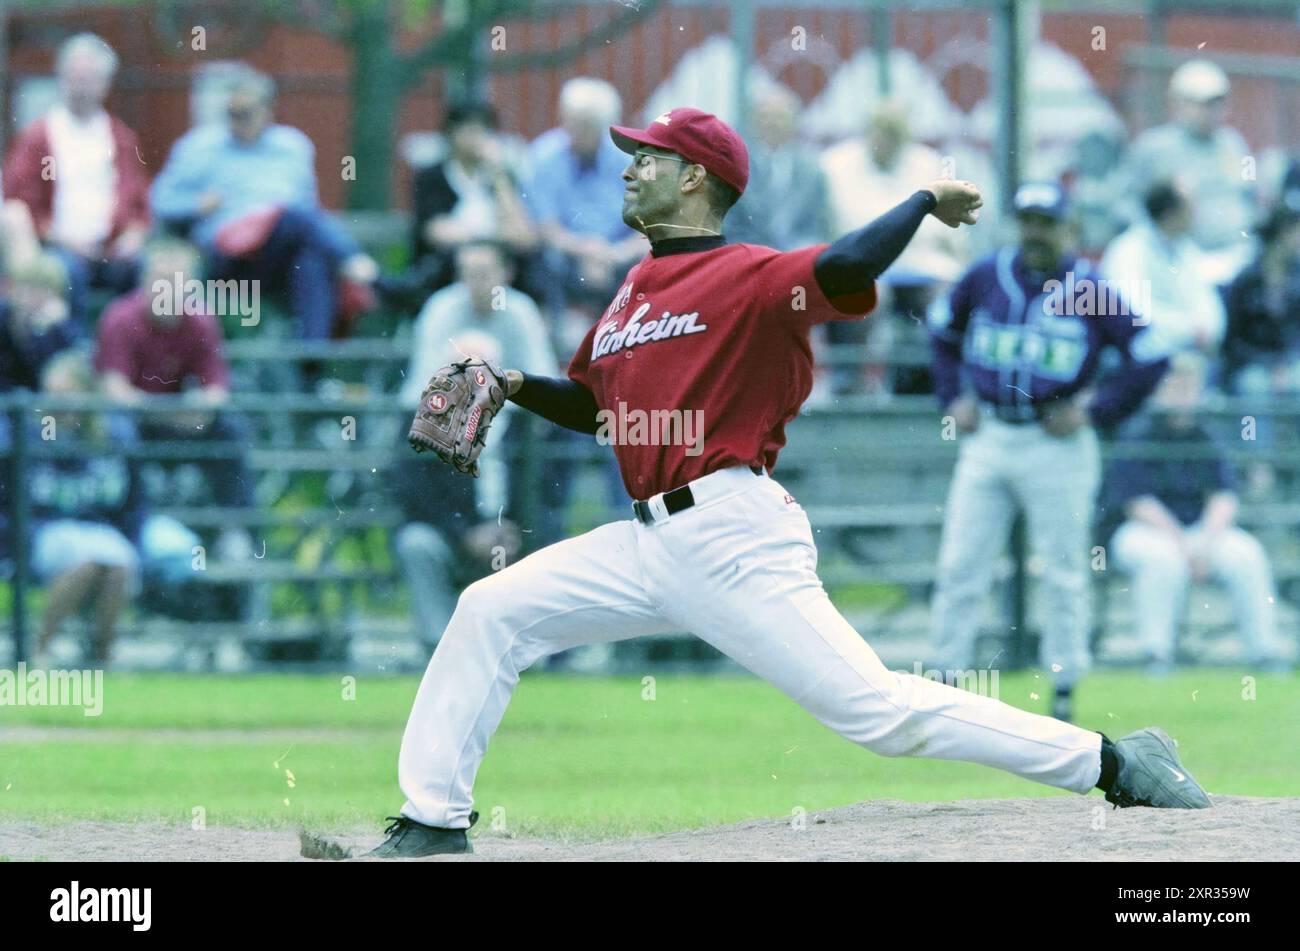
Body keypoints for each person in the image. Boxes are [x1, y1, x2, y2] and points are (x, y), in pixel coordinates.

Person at [367, 111, 1208, 860]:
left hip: (732, 535)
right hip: (645, 540)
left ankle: (1112, 759)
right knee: (491, 610)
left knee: (879, 713)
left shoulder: (754, 274)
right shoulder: (633, 290)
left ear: (695, 176)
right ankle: (434, 819)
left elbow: (844, 265)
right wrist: (514, 382)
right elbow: (595, 406)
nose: (628, 168)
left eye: (646, 157)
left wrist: (917, 202)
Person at [927, 182, 1170, 724]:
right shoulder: (987, 275)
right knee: (962, 561)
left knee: (1061, 570)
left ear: (1068, 228)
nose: (1036, 232)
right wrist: (953, 397)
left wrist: (1097, 410)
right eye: (1028, 221)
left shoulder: (1088, 287)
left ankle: (1064, 686)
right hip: (990, 435)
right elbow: (942, 335)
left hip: (1056, 441)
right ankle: (944, 681)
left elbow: (1150, 355)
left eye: (1047, 222)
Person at [395, 239, 556, 649]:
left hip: (513, 531)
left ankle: (543, 650)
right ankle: (437, 648)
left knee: (554, 536)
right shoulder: (432, 426)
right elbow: (418, 488)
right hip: (456, 533)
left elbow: (544, 467)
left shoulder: (523, 428)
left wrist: (515, 527)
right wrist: (465, 533)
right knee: (416, 543)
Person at [149, 66, 377, 342]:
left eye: (245, 114)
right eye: (231, 113)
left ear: (267, 112)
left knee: (310, 260)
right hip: (229, 258)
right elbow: (160, 201)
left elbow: (310, 207)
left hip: (279, 255)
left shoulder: (292, 147)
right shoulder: (200, 148)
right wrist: (197, 204)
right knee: (294, 217)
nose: (237, 121)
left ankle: (310, 363)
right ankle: (358, 263)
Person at [1103, 352, 1292, 673]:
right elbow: (1136, 502)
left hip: (1201, 531)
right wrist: (1183, 543)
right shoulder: (1137, 430)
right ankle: (1157, 655)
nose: (1181, 392)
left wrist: (1204, 541)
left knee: (1246, 554)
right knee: (1162, 560)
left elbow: (1224, 495)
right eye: (1173, 384)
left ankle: (1264, 652)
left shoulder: (1207, 432)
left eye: (1188, 385)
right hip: (1145, 530)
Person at [94, 238, 255, 536]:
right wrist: (178, 412)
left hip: (175, 419)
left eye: (176, 281)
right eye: (160, 280)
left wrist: (193, 411)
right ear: (144, 281)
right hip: (138, 422)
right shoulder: (120, 318)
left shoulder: (202, 322)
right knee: (119, 431)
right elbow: (114, 393)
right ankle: (131, 527)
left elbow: (217, 394)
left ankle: (236, 532)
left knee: (231, 428)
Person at [821, 101, 967, 395]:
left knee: (944, 301)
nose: (886, 138)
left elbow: (948, 231)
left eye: (894, 132)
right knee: (873, 299)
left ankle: (933, 383)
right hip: (861, 261)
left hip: (922, 264)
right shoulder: (834, 164)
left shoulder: (931, 163)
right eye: (880, 130)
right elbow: (845, 223)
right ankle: (855, 387)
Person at [1, 33, 150, 312]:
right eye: (75, 77)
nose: (82, 86)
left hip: (112, 249)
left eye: (90, 78)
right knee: (69, 274)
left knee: (142, 271)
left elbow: (139, 203)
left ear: (105, 85)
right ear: (61, 79)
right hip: (60, 247)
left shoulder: (121, 138)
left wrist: (133, 235)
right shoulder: (38, 137)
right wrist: (63, 239)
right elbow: (20, 201)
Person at [15, 352, 144, 666]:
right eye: (52, 395)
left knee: (119, 566)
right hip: (47, 530)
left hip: (101, 529)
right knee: (86, 562)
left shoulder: (113, 436)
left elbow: (135, 501)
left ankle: (102, 658)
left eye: (67, 395)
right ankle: (39, 651)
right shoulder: (31, 433)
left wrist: (132, 538)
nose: (58, 404)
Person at [524, 78, 646, 323]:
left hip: (620, 256)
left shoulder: (628, 159)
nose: (575, 133)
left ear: (606, 126)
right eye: (571, 123)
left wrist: (615, 254)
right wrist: (586, 250)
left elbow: (649, 228)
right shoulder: (544, 156)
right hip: (566, 254)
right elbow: (546, 228)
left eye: (586, 126)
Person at [1123, 60, 1254, 275]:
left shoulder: (1233, 143)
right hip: (1181, 264)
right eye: (1203, 104)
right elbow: (1129, 204)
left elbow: (1248, 197)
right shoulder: (1154, 148)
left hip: (1237, 258)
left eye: (1217, 103)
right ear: (1178, 103)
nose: (1212, 112)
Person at [408, 101, 535, 299]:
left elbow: (522, 235)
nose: (474, 138)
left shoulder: (501, 176)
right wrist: (488, 239)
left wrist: (498, 174)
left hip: (497, 261)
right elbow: (437, 231)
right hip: (452, 262)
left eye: (481, 131)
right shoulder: (432, 176)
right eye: (468, 130)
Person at [1100, 180, 1226, 357]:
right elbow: (1133, 312)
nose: (1197, 214)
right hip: (1138, 354)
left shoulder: (1185, 250)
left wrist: (1206, 331)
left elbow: (1207, 307)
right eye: (1190, 207)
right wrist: (1189, 330)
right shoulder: (1128, 249)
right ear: (1169, 214)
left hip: (1184, 352)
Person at [1221, 188, 1300, 396]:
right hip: (1253, 364)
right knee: (1254, 386)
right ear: (1281, 234)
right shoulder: (1246, 280)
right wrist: (1270, 364)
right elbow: (1233, 339)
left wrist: (1286, 363)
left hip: (1292, 362)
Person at [0, 252, 82, 392]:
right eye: (25, 286)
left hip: (44, 406)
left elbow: (59, 372)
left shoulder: (61, 328)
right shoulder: (3, 316)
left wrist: (42, 331)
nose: (28, 296)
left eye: (42, 289)